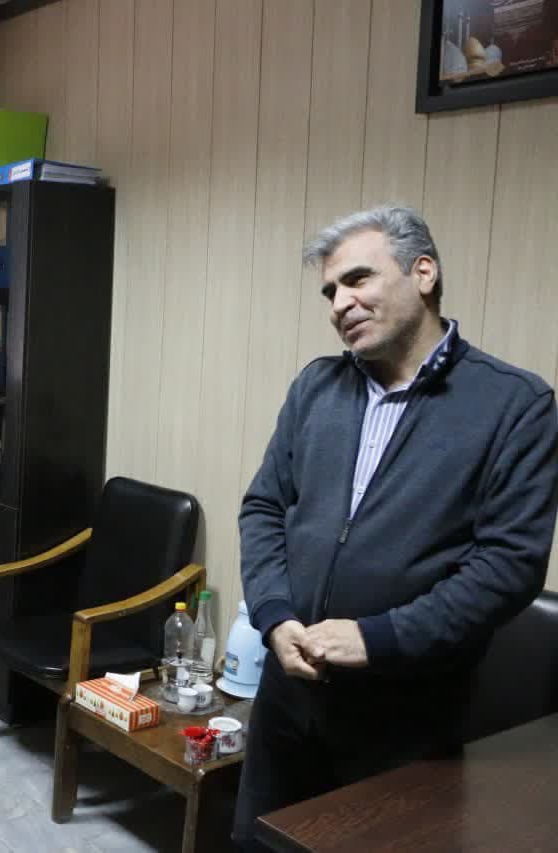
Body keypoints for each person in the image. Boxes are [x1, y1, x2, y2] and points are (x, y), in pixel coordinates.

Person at [232, 205, 558, 849]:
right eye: (330, 291)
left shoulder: (514, 405)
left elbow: (508, 567)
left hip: (405, 719)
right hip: (288, 700)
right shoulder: (316, 388)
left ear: (423, 273)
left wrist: (376, 638)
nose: (339, 304)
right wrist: (274, 615)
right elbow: (264, 508)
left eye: (358, 279)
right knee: (258, 845)